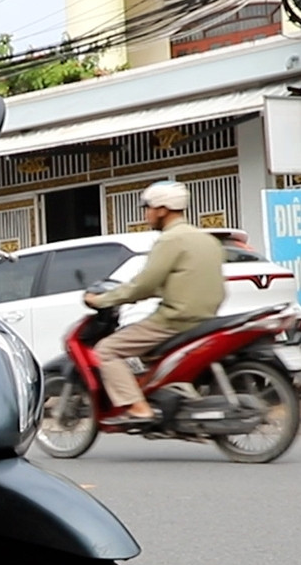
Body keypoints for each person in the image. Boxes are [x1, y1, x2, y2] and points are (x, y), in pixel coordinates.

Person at [83, 180, 226, 425]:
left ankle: (138, 408)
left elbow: (144, 284)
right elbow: (176, 281)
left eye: (147, 208)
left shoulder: (170, 240)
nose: (145, 214)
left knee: (106, 350)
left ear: (162, 209)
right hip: (206, 319)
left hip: (174, 320)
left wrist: (103, 300)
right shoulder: (207, 239)